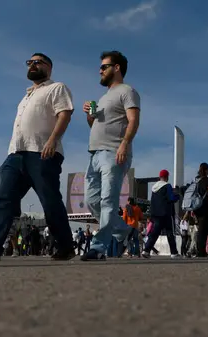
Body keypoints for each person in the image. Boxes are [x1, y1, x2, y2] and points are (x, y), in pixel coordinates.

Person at [0, 53, 75, 261]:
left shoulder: (57, 88)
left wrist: (53, 140)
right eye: (29, 63)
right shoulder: (26, 96)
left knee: (50, 201)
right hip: (15, 155)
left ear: (49, 67)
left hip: (42, 152)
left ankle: (65, 246)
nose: (32, 65)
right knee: (3, 200)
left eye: (37, 62)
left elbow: (64, 114)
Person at [81, 51, 141, 261]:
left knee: (108, 201)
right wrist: (90, 115)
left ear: (116, 68)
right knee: (91, 201)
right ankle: (124, 230)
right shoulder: (103, 98)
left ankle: (98, 248)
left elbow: (133, 120)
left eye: (104, 66)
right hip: (95, 154)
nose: (100, 70)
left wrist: (124, 144)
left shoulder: (127, 91)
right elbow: (94, 125)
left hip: (114, 152)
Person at [142, 169, 180, 258]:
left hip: (155, 213)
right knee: (170, 232)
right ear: (167, 177)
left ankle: (146, 250)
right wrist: (177, 196)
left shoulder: (154, 187)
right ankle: (174, 253)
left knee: (155, 233)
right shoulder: (167, 186)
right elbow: (171, 198)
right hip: (165, 213)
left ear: (160, 177)